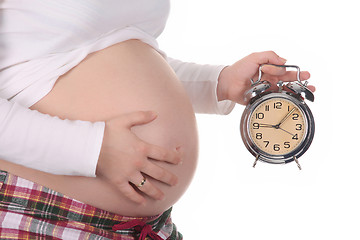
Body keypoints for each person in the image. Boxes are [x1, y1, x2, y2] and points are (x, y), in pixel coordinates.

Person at [0, 1, 314, 239]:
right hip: (42, 212)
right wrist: (93, 149)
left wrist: (218, 82)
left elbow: (110, 55)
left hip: (145, 228)